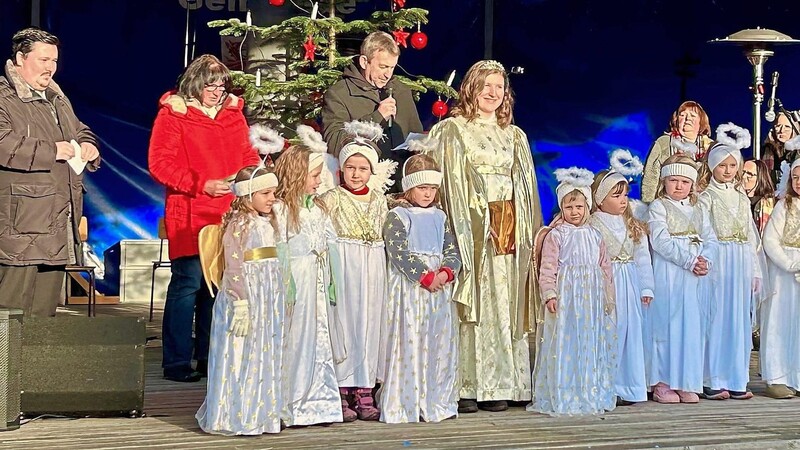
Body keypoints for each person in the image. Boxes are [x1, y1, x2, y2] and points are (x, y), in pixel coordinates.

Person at [426, 60, 542, 414]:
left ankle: (504, 384)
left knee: (505, 299)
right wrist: (479, 218)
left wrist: (521, 226)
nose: (492, 93)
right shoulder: (454, 130)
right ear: (471, 89)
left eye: (499, 86)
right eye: (485, 86)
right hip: (474, 226)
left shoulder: (515, 135)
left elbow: (527, 187)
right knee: (477, 298)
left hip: (510, 223)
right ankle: (469, 385)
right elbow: (451, 185)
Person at [148, 54, 260, 382]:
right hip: (191, 213)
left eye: (221, 84)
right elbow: (159, 163)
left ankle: (210, 357)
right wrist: (199, 184)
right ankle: (177, 362)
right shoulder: (174, 114)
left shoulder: (233, 115)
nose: (216, 91)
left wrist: (253, 179)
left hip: (226, 214)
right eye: (210, 84)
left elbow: (247, 155)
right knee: (188, 284)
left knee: (217, 287)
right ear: (196, 83)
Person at [0, 27, 100, 317]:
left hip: (56, 223)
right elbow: (4, 143)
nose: (50, 68)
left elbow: (80, 129)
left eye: (54, 60)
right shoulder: (5, 97)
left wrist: (87, 144)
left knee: (43, 317)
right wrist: (52, 151)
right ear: (20, 58)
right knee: (9, 314)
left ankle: (35, 364)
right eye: (43, 60)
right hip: (20, 225)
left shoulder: (56, 98)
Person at [196, 164, 286, 435]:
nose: (272, 198)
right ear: (247, 196)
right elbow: (234, 264)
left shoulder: (268, 220)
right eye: (265, 193)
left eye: (273, 192)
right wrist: (240, 300)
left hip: (268, 292)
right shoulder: (239, 224)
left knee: (263, 349)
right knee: (242, 351)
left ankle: (262, 411)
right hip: (247, 293)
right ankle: (238, 413)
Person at [379, 154, 461, 424]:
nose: (427, 193)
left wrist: (447, 272)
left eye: (432, 188)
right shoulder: (398, 216)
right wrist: (425, 277)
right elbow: (398, 252)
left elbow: (451, 249)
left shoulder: (440, 216)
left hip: (438, 291)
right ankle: (406, 401)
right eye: (421, 188)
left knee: (436, 342)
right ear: (409, 188)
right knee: (411, 339)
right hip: (412, 290)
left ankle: (435, 399)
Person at [528, 167, 616, 416]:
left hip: (591, 301)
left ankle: (589, 389)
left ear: (587, 206)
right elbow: (548, 268)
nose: (574, 212)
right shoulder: (556, 235)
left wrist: (609, 298)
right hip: (568, 300)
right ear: (561, 209)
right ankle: (565, 390)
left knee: (588, 343)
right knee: (567, 344)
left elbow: (605, 268)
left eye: (579, 207)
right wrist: (550, 294)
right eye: (569, 207)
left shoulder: (595, 235)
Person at [319, 121, 390, 422]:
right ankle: (342, 386)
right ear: (341, 170)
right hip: (345, 265)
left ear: (372, 172)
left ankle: (364, 387)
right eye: (351, 168)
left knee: (370, 323)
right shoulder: (332, 199)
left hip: (372, 266)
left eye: (363, 169)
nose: (357, 174)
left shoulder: (380, 201)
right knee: (345, 323)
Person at [273, 142, 343, 427]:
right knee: (296, 337)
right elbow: (279, 247)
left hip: (316, 277)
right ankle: (293, 401)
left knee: (318, 338)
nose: (319, 181)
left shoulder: (319, 208)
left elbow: (331, 243)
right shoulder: (282, 209)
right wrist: (286, 282)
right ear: (296, 174)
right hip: (297, 278)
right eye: (314, 175)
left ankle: (320, 402)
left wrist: (333, 280)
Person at [698, 123, 767, 401]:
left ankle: (737, 378)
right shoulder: (706, 197)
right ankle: (713, 378)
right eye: (722, 165)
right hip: (719, 261)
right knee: (718, 319)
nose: (727, 171)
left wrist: (754, 270)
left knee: (738, 320)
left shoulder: (740, 196)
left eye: (732, 166)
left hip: (739, 260)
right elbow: (704, 231)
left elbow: (750, 235)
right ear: (713, 166)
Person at [647, 154, 717, 403]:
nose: (679, 186)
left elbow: (711, 238)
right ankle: (663, 381)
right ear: (664, 181)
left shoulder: (699, 208)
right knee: (668, 323)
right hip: (670, 273)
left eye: (684, 181)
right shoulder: (658, 207)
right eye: (673, 180)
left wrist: (706, 260)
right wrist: (688, 260)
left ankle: (686, 379)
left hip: (694, 277)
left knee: (691, 326)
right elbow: (660, 240)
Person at [588, 150, 654, 406]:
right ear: (600, 199)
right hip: (609, 283)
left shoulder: (632, 224)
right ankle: (608, 384)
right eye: (616, 196)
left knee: (630, 333)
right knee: (609, 331)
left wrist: (646, 287)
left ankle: (630, 385)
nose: (623, 200)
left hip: (630, 282)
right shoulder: (594, 224)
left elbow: (642, 258)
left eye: (625, 195)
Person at [322, 31, 423, 192]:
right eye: (383, 67)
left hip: (402, 186)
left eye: (392, 67)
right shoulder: (339, 94)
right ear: (364, 62)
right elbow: (334, 144)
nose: (387, 74)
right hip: (362, 188)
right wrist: (377, 117)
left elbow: (416, 136)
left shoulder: (400, 90)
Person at [760, 157, 800, 399]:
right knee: (779, 321)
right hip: (785, 274)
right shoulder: (784, 206)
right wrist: (790, 263)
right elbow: (770, 241)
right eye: (795, 177)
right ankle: (777, 376)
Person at [641, 101, 714, 203]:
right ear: (676, 120)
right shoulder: (663, 143)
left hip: (699, 204)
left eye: (693, 115)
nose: (688, 119)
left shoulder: (710, 147)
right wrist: (648, 204)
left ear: (701, 121)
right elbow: (650, 176)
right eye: (682, 115)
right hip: (665, 203)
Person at [762, 111, 800, 183]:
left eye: (787, 127)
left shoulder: (798, 152)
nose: (782, 130)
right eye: (778, 126)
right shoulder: (766, 151)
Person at [742, 159, 776, 236]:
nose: (744, 176)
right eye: (743, 172)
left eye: (750, 174)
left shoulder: (767, 203)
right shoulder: (737, 197)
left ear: (760, 177)